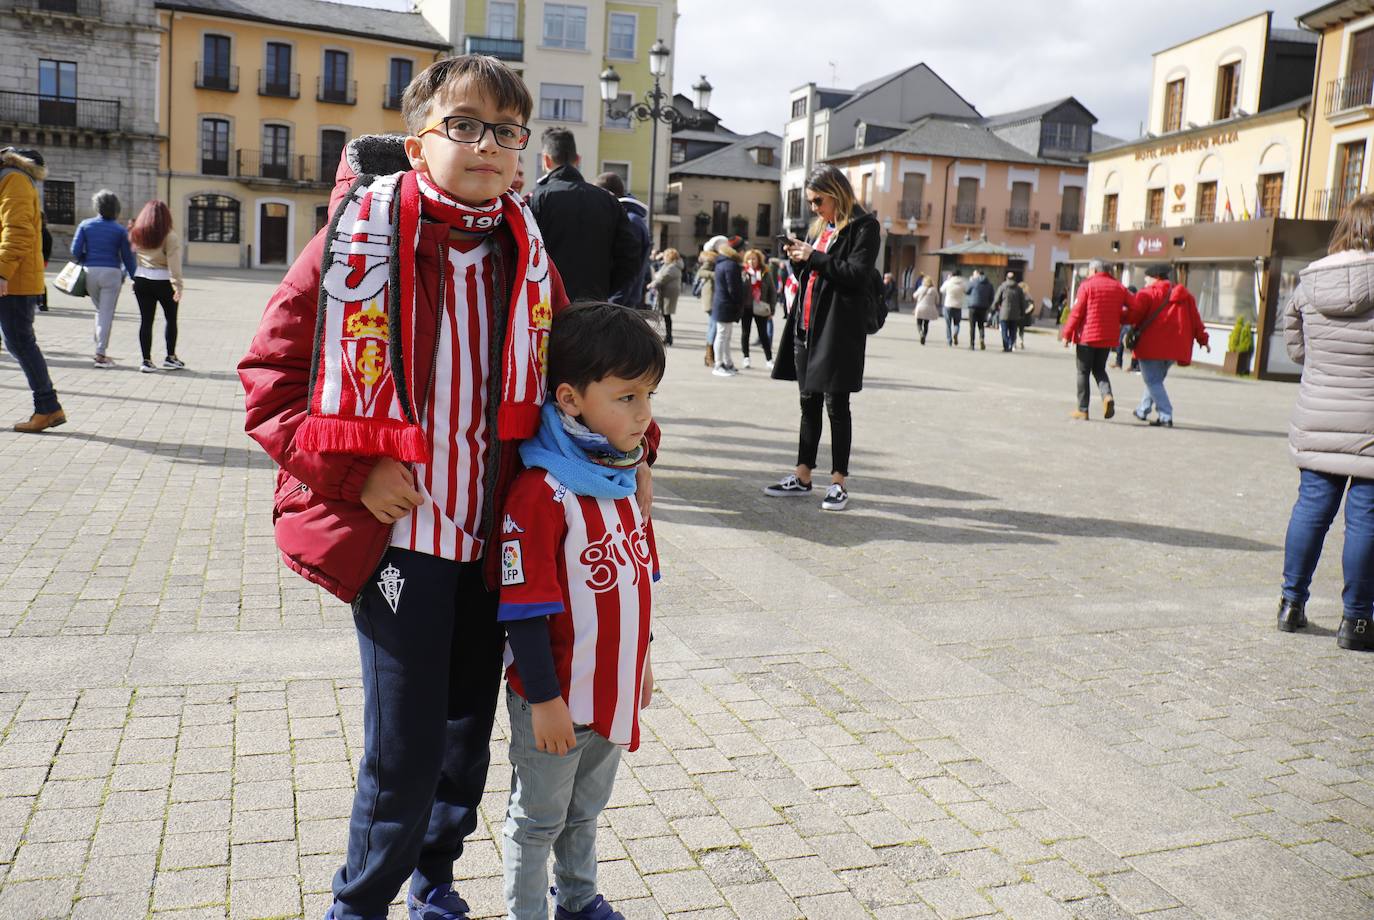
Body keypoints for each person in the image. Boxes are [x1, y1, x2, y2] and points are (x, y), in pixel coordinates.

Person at [238, 56, 659, 920]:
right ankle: (359, 904)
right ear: (418, 139)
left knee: (467, 739)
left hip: (496, 547)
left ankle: (435, 878)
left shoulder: (527, 252)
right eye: (463, 125)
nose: (489, 146)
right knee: (405, 743)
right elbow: (269, 384)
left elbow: (575, 381)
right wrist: (356, 472)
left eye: (508, 132)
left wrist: (637, 441)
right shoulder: (358, 242)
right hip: (405, 546)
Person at [499, 301, 661, 920]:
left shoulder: (623, 480)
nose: (643, 415)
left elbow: (638, 583)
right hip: (557, 701)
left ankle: (579, 902)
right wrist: (543, 699)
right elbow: (523, 610)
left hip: (610, 693)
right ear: (569, 399)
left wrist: (641, 663)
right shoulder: (543, 493)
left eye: (648, 395)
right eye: (626, 397)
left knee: (585, 812)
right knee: (537, 820)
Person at [1277, 193, 1374, 652]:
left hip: (1318, 412)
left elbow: (1295, 347)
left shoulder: (1309, 282)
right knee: (1367, 522)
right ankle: (1355, 623)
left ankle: (1291, 605)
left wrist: (1324, 369)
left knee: (1311, 510)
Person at [767, 164, 878, 512]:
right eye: (811, 202)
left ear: (836, 193)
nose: (814, 207)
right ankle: (802, 476)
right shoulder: (823, 228)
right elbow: (814, 277)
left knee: (837, 406)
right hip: (807, 326)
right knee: (808, 402)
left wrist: (813, 256)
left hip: (837, 329)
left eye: (818, 200)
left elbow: (856, 275)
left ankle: (838, 482)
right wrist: (800, 258)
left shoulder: (864, 226)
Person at [528, 127, 640, 302]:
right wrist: (604, 289)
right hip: (594, 304)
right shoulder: (608, 201)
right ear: (577, 159)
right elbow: (631, 256)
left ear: (546, 161)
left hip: (546, 304)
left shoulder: (537, 198)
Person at [0, 146, 65, 432]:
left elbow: (18, 229)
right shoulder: (10, 178)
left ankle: (48, 407)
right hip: (14, 277)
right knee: (19, 342)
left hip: (14, 280)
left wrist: (2, 270)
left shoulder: (13, 179)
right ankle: (48, 407)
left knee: (20, 342)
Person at [1123, 265, 1209, 427]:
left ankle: (1165, 414)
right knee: (1155, 380)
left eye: (1146, 278)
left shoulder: (1146, 294)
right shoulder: (1186, 296)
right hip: (1175, 349)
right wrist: (1203, 340)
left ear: (1155, 277)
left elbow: (1134, 315)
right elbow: (1196, 321)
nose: (1145, 282)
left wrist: (1119, 315)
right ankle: (1143, 409)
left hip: (1151, 347)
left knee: (1153, 380)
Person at [71, 188, 137, 368]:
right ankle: (100, 354)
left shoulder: (85, 225)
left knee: (100, 309)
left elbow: (75, 251)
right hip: (112, 273)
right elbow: (127, 257)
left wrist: (87, 259)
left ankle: (98, 343)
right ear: (116, 208)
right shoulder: (120, 230)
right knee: (106, 312)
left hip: (90, 271)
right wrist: (134, 278)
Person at [1061, 260, 1129, 420]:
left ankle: (1083, 409)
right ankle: (1107, 396)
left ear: (1095, 270)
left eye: (1090, 270)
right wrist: (1121, 319)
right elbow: (1133, 306)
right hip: (1107, 338)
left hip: (1087, 337)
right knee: (1099, 369)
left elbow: (1077, 312)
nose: (1088, 273)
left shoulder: (1087, 286)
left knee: (1083, 372)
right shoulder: (1119, 287)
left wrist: (1067, 334)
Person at [128, 199, 186, 373]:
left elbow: (134, 257)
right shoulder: (170, 236)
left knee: (146, 321)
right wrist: (178, 285)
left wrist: (133, 278)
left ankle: (146, 360)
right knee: (171, 319)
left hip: (141, 278)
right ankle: (170, 357)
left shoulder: (137, 232)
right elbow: (173, 263)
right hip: (163, 281)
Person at [593, 171, 650, 309]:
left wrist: (613, 303)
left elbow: (629, 269)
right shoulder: (630, 219)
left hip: (622, 306)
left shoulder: (630, 221)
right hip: (623, 303)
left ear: (608, 195)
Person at [711, 243, 743, 377]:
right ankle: (719, 364)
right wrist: (738, 302)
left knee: (724, 335)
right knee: (723, 335)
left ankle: (726, 362)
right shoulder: (731, 265)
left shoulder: (721, 263)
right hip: (726, 304)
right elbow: (733, 288)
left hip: (721, 303)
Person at [740, 248, 775, 368]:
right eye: (748, 259)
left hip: (761, 306)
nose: (751, 261)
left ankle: (769, 359)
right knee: (745, 333)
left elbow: (772, 291)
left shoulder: (765, 272)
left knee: (763, 334)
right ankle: (746, 358)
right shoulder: (743, 272)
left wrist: (772, 309)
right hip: (746, 307)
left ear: (758, 259)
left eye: (753, 258)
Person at [649, 247, 682, 346]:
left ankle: (669, 337)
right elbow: (659, 274)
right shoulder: (668, 265)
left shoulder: (672, 267)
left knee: (667, 315)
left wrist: (652, 284)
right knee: (665, 315)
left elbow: (663, 277)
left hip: (669, 294)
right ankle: (668, 337)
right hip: (666, 292)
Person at [992, 271, 1027, 353]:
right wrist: (1022, 312)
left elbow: (997, 299)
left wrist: (994, 308)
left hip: (1004, 313)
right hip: (1015, 314)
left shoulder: (1002, 287)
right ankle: (1011, 345)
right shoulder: (1019, 289)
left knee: (1004, 331)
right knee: (1013, 331)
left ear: (1006, 278)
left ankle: (1006, 346)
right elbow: (1022, 302)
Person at [695, 248, 717, 367]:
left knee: (713, 326)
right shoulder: (710, 261)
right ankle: (709, 356)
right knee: (713, 327)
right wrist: (716, 274)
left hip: (712, 298)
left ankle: (710, 355)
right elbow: (701, 273)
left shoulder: (714, 260)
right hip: (711, 298)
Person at [964, 269, 994, 351]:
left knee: (972, 326)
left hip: (973, 307)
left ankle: (972, 344)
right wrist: (988, 305)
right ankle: (981, 339)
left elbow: (966, 291)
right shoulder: (989, 284)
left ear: (977, 275)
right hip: (983, 307)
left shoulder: (973, 282)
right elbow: (992, 297)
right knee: (981, 325)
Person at [940, 269, 964, 346]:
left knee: (948, 324)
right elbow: (967, 291)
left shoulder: (948, 282)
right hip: (958, 305)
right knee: (957, 323)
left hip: (948, 305)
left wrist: (947, 280)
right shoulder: (962, 283)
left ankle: (949, 340)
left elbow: (941, 290)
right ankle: (956, 333)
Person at [913, 273, 940, 345]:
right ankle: (924, 335)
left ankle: (921, 333)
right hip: (929, 309)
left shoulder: (921, 288)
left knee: (919, 323)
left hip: (920, 308)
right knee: (926, 324)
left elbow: (914, 296)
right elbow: (937, 300)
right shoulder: (934, 290)